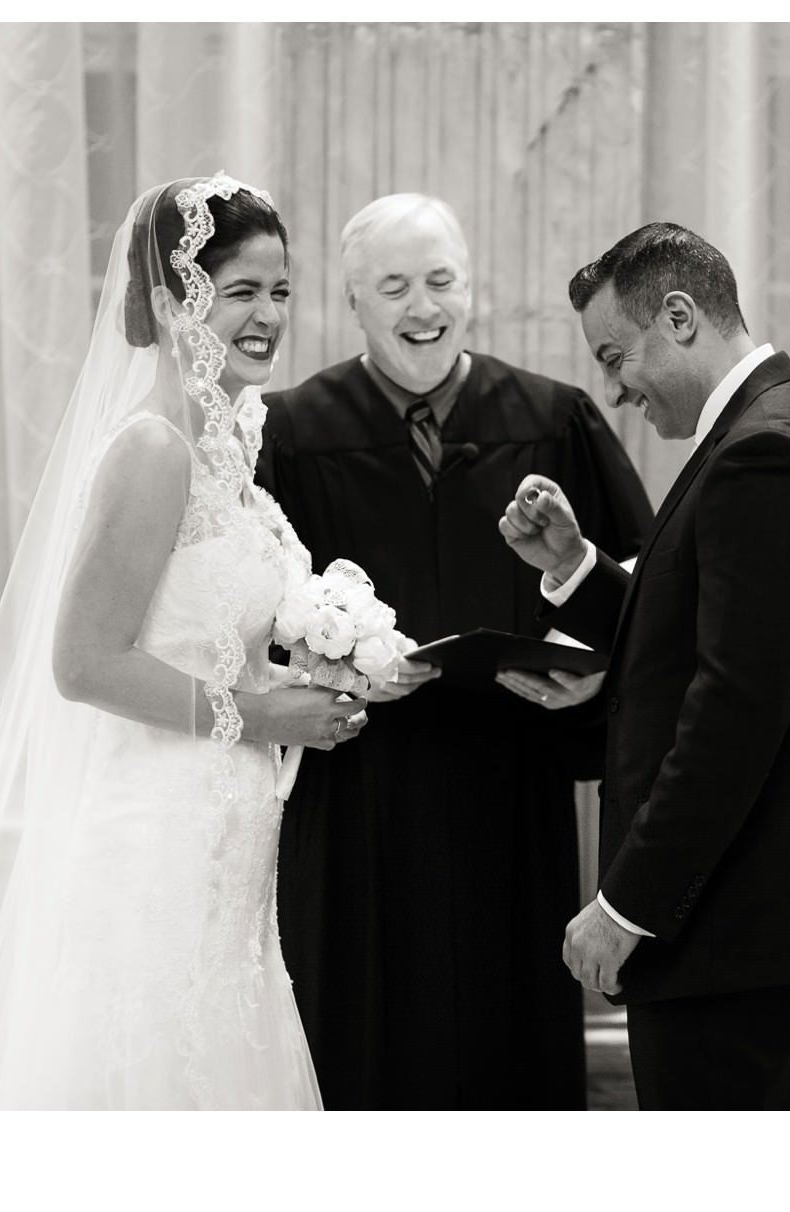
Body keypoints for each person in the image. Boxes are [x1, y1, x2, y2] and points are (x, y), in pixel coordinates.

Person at [0, 175, 369, 1109]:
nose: (268, 317)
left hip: (234, 852)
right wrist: (258, 716)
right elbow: (83, 663)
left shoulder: (230, 453)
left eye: (281, 292)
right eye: (242, 291)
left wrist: (354, 661)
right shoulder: (153, 451)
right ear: (177, 300)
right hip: (157, 839)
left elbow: (216, 633)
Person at [256, 193, 653, 1109]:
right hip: (356, 791)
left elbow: (638, 599)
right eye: (393, 286)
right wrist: (323, 672)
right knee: (356, 1023)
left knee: (505, 1029)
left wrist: (579, 686)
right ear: (351, 302)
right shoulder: (292, 434)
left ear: (471, 287)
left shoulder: (554, 421)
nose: (421, 306)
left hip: (508, 787)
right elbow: (250, 620)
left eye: (440, 280)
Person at [498, 222, 790, 1110]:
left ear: (678, 316)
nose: (614, 387)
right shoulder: (771, 429)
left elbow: (733, 715)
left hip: (726, 921)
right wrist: (575, 569)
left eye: (615, 355)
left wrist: (626, 904)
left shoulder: (765, 455)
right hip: (733, 924)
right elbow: (701, 640)